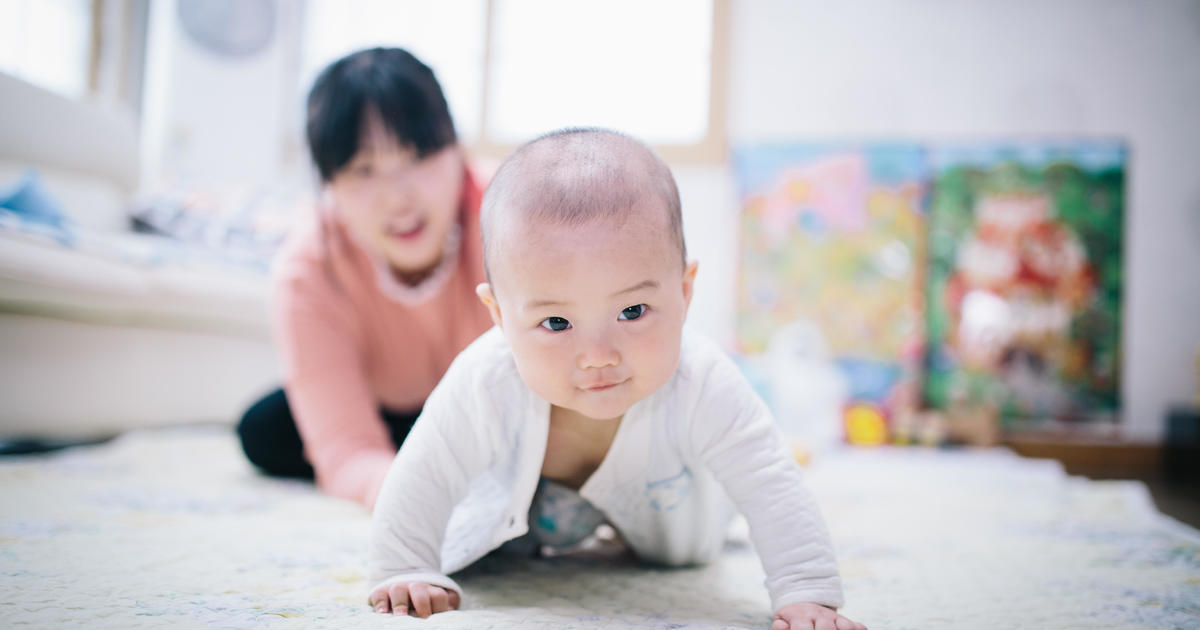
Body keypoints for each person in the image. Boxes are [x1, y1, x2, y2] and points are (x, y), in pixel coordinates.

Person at [366, 128, 866, 630]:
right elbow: (424, 470)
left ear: (684, 293)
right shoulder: (484, 381)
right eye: (556, 323)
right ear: (499, 317)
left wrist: (805, 590)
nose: (598, 356)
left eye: (632, 311)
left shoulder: (703, 381)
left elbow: (769, 480)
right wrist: (405, 566)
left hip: (677, 525)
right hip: (526, 535)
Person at [236, 47, 493, 509]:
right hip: (388, 408)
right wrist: (416, 497)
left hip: (496, 408)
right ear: (329, 186)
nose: (399, 198)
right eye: (363, 170)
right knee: (265, 430)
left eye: (417, 157)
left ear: (458, 151)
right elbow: (348, 449)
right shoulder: (308, 268)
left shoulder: (512, 216)